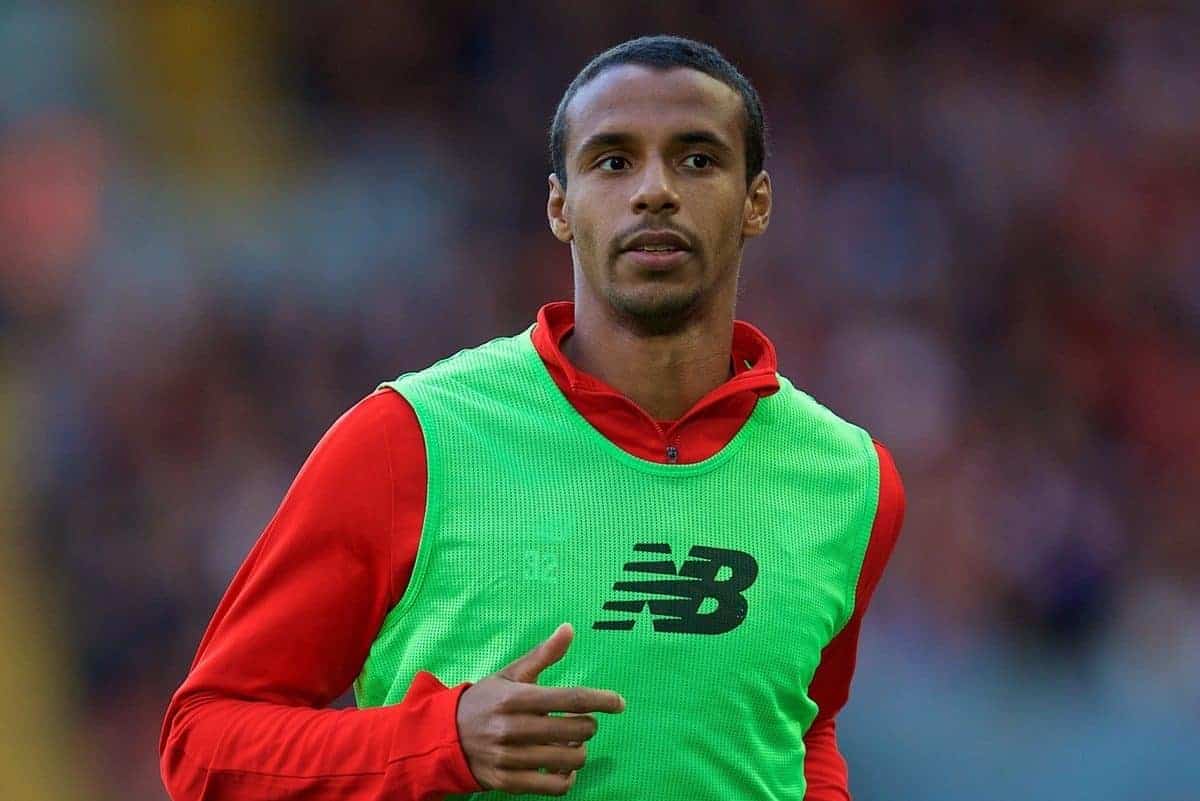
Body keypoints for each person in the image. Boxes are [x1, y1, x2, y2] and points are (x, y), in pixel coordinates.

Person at [159, 34, 904, 800]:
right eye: (613, 161)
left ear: (757, 202)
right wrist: (441, 740)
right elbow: (204, 745)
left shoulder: (850, 478)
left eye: (697, 159)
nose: (654, 191)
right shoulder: (409, 440)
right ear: (560, 205)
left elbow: (802, 725)